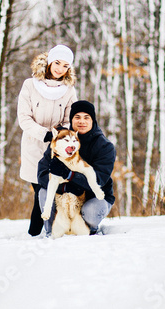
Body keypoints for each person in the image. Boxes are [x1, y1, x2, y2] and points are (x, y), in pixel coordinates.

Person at [17, 45, 78, 236]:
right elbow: (24, 118)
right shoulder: (29, 85)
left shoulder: (69, 90)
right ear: (49, 61)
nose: (60, 69)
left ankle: (41, 231)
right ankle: (37, 232)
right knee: (40, 187)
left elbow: (70, 118)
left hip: (57, 147)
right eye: (57, 63)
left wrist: (60, 132)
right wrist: (44, 133)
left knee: (49, 188)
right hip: (34, 144)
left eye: (65, 65)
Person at [37, 100, 116, 236]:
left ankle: (88, 230)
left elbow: (99, 180)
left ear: (93, 120)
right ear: (71, 119)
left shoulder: (104, 146)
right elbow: (42, 173)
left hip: (93, 196)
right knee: (43, 192)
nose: (82, 121)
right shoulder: (60, 140)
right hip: (64, 196)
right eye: (77, 117)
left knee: (91, 213)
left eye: (87, 117)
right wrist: (64, 187)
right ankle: (52, 232)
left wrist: (70, 176)